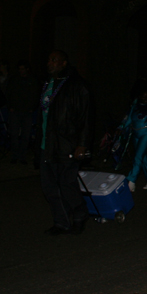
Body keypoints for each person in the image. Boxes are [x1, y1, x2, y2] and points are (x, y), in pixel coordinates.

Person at [38, 50, 91, 236]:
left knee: (67, 184)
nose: (49, 63)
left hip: (67, 144)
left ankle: (79, 215)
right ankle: (61, 222)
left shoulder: (76, 85)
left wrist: (82, 144)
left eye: (54, 60)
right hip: (47, 144)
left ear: (64, 63)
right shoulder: (47, 83)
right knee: (49, 187)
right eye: (49, 59)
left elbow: (85, 118)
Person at [120, 90, 147, 192]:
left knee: (138, 157)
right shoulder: (134, 107)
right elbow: (129, 121)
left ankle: (131, 180)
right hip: (136, 134)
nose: (145, 98)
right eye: (143, 96)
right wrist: (120, 128)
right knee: (143, 158)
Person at [6, 60, 39, 164]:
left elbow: (36, 95)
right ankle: (15, 156)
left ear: (27, 69)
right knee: (14, 134)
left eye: (23, 69)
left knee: (25, 135)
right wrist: (10, 106)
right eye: (19, 69)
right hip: (15, 111)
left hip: (27, 112)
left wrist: (32, 107)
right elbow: (9, 93)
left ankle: (22, 156)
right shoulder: (14, 79)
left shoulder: (32, 80)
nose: (21, 71)